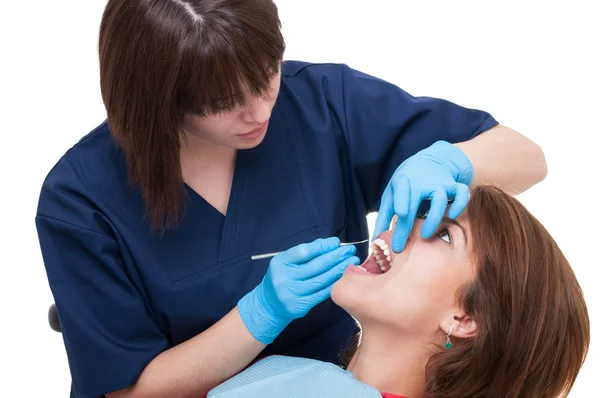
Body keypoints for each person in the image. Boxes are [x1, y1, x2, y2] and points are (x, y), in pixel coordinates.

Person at [35, 1, 547, 397]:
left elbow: (529, 158)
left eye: (266, 76)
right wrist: (258, 315)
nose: (258, 111)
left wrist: (449, 160)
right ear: (156, 104)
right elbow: (128, 389)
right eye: (221, 103)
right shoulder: (81, 200)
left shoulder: (321, 104)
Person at [207, 185, 590, 398]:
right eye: (420, 215)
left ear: (464, 318)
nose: (403, 227)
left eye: (443, 233)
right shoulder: (292, 372)